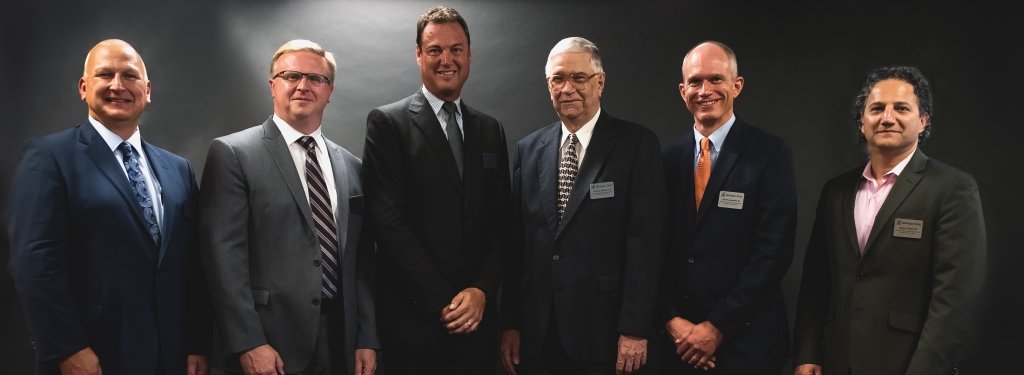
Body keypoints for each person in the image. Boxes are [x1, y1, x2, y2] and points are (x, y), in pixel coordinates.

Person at [8, 39, 209, 374]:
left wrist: (197, 344)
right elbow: (35, 263)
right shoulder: (48, 158)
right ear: (84, 88)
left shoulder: (178, 169)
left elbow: (192, 266)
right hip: (92, 356)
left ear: (147, 90)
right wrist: (67, 347)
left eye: (129, 76)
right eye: (105, 75)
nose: (118, 85)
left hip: (171, 356)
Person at [200, 39, 378, 375]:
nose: (303, 86)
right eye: (291, 75)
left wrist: (366, 336)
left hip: (340, 341)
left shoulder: (352, 166)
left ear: (330, 91)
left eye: (316, 79)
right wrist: (248, 342)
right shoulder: (233, 153)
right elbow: (223, 260)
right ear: (272, 85)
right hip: (267, 342)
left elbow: (362, 260)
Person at [793, 66, 986, 375]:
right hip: (837, 361)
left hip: (909, 364)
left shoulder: (952, 189)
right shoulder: (836, 191)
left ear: (923, 121)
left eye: (901, 108)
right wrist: (807, 353)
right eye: (877, 108)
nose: (887, 117)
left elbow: (955, 299)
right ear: (862, 120)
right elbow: (816, 281)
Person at [499, 36, 666, 375]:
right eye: (558, 79)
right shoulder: (528, 149)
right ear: (548, 86)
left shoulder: (636, 145)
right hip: (538, 334)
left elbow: (646, 244)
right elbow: (518, 246)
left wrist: (634, 328)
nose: (568, 88)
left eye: (578, 78)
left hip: (605, 333)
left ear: (600, 82)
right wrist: (511, 323)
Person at [361, 5, 513, 374]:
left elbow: (502, 220)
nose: (447, 60)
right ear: (418, 55)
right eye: (435, 50)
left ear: (469, 55)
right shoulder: (388, 123)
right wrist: (443, 301)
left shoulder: (490, 129)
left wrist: (482, 291)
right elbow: (388, 221)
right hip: (415, 322)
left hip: (477, 323)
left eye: (456, 49)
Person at [653, 40, 797, 375]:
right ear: (682, 90)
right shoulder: (665, 161)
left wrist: (716, 327)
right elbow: (651, 248)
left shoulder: (769, 153)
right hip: (678, 346)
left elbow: (773, 252)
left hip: (746, 344)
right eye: (695, 81)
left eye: (716, 79)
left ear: (737, 85)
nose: (705, 90)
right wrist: (672, 322)